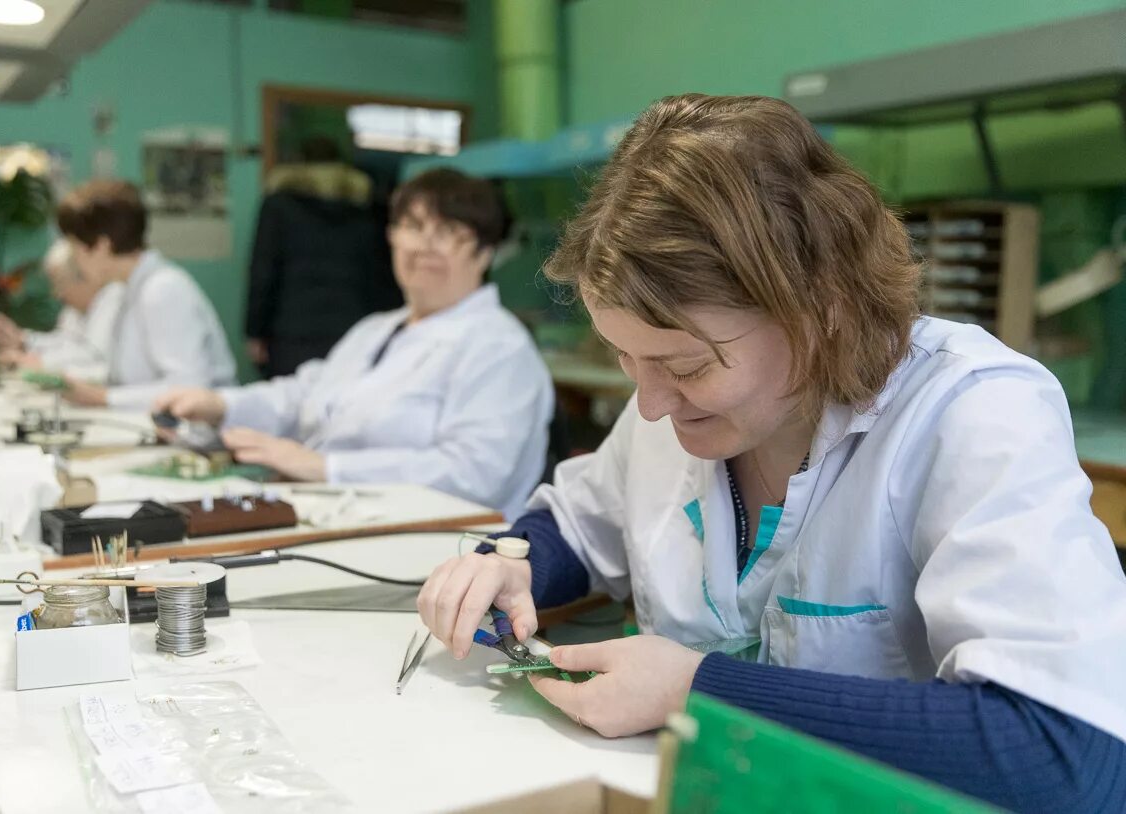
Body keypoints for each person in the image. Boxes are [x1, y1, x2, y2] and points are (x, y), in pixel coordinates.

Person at [415, 95, 1126, 811]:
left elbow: (1063, 755)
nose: (654, 404)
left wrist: (698, 690)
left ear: (822, 310)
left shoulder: (971, 413)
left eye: (688, 367)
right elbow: (581, 519)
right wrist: (516, 565)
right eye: (627, 358)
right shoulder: (667, 407)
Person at [154, 169, 553, 520]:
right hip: (335, 514)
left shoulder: (500, 347)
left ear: (485, 252)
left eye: (448, 232)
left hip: (438, 549)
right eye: (412, 227)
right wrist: (221, 406)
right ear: (392, 238)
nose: (424, 246)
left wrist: (326, 467)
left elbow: (474, 475)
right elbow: (305, 394)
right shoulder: (376, 329)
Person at [54, 180, 236, 409]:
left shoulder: (163, 289)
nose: (74, 259)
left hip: (201, 440)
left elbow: (189, 388)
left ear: (101, 246)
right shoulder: (125, 289)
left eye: (74, 246)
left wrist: (103, 398)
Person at [246, 137, 401, 378]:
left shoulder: (279, 206)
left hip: (293, 332)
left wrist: (255, 331)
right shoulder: (365, 208)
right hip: (355, 329)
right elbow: (381, 274)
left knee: (290, 406)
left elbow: (263, 272)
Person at [0, 239, 124, 381]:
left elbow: (93, 358)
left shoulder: (112, 299)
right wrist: (23, 340)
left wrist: (39, 362)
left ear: (83, 277)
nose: (57, 294)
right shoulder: (73, 310)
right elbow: (65, 342)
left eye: (59, 284)